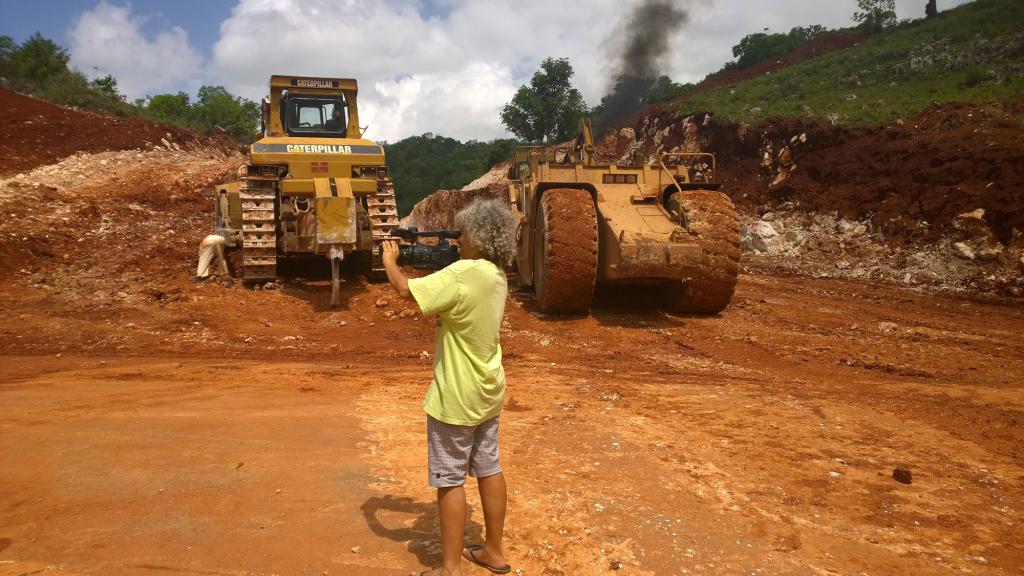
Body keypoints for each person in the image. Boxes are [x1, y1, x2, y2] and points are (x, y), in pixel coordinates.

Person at [381, 198, 517, 576]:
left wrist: (391, 262)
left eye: (463, 232)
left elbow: (407, 292)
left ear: (477, 234)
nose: (458, 239)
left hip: (455, 395)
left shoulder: (463, 273)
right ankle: (494, 552)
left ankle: (450, 568)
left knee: (449, 479)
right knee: (489, 468)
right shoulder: (494, 273)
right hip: (487, 390)